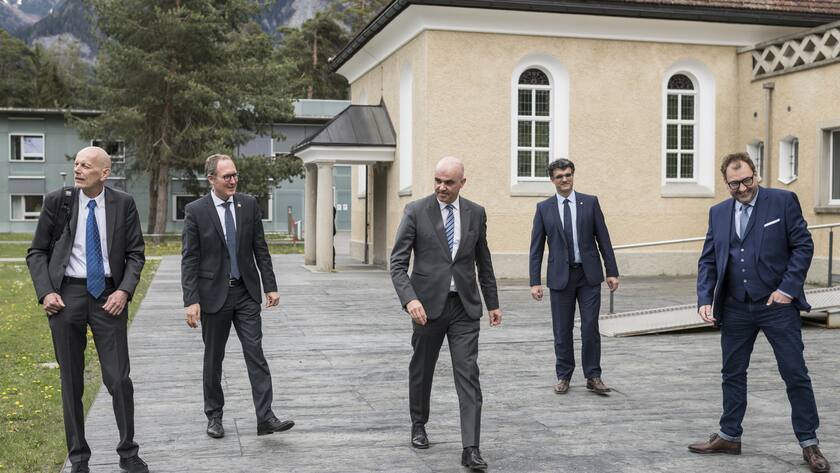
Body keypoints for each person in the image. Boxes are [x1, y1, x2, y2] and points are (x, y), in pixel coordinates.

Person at [689, 152, 830, 473]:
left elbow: (803, 246)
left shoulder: (782, 201)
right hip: (736, 306)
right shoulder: (718, 212)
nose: (742, 188)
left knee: (794, 373)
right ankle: (729, 435)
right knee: (732, 374)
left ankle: (809, 443)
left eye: (747, 180)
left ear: (757, 175)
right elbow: (709, 259)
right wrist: (704, 298)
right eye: (734, 183)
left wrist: (787, 288)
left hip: (776, 306)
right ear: (725, 184)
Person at [26, 146, 148, 473]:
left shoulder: (123, 203)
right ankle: (79, 459)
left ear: (104, 173)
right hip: (67, 296)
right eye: (76, 163)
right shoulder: (58, 201)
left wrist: (124, 290)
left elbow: (136, 254)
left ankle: (128, 452)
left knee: (119, 378)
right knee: (71, 381)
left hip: (109, 295)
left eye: (86, 166)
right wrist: (46, 292)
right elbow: (36, 252)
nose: (78, 169)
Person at [390, 156, 502, 472]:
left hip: (465, 307)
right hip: (426, 308)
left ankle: (471, 448)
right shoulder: (415, 211)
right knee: (422, 368)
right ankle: (418, 424)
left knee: (468, 373)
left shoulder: (476, 213)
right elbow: (397, 264)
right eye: (437, 180)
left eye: (448, 182)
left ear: (462, 183)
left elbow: (484, 261)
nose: (441, 187)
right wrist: (409, 300)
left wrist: (492, 302)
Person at [181, 154, 294, 439]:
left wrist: (270, 285)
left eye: (235, 175)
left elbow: (260, 248)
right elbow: (189, 259)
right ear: (211, 179)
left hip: (245, 293)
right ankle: (214, 417)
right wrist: (190, 300)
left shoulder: (249, 204)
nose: (233, 180)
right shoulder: (196, 210)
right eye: (226, 176)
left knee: (256, 354)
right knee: (213, 359)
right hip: (213, 296)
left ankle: (265, 417)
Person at [528, 158, 619, 395]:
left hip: (588, 276)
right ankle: (564, 376)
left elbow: (604, 239)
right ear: (552, 180)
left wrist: (612, 271)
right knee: (562, 329)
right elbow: (536, 248)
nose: (565, 179)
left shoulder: (589, 203)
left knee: (590, 326)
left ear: (573, 175)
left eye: (568, 175)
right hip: (560, 277)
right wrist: (534, 281)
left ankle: (593, 375)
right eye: (559, 176)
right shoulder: (544, 208)